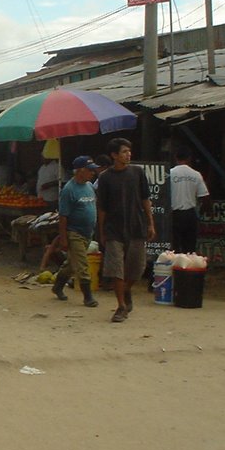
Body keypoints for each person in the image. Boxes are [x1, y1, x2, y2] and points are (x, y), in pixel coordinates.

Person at [96, 137, 156, 323]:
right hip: (114, 229)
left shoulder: (137, 173)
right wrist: (102, 231)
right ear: (114, 155)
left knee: (137, 268)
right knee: (116, 269)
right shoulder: (105, 178)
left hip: (136, 226)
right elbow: (102, 207)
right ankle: (121, 306)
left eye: (129, 151)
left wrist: (150, 223)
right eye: (124, 152)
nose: (128, 154)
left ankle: (126, 289)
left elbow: (146, 199)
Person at [51, 156, 100, 307]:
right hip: (74, 232)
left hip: (87, 232)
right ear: (80, 171)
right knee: (82, 264)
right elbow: (63, 216)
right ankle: (88, 296)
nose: (92, 173)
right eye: (89, 170)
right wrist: (64, 238)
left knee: (72, 263)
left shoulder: (89, 186)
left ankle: (58, 285)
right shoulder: (69, 190)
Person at [170, 148, 210, 253]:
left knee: (174, 246)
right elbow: (205, 196)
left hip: (174, 214)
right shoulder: (196, 175)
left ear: (175, 158)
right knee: (189, 247)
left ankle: (176, 267)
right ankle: (188, 267)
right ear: (189, 158)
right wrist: (201, 213)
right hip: (190, 214)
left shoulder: (169, 174)